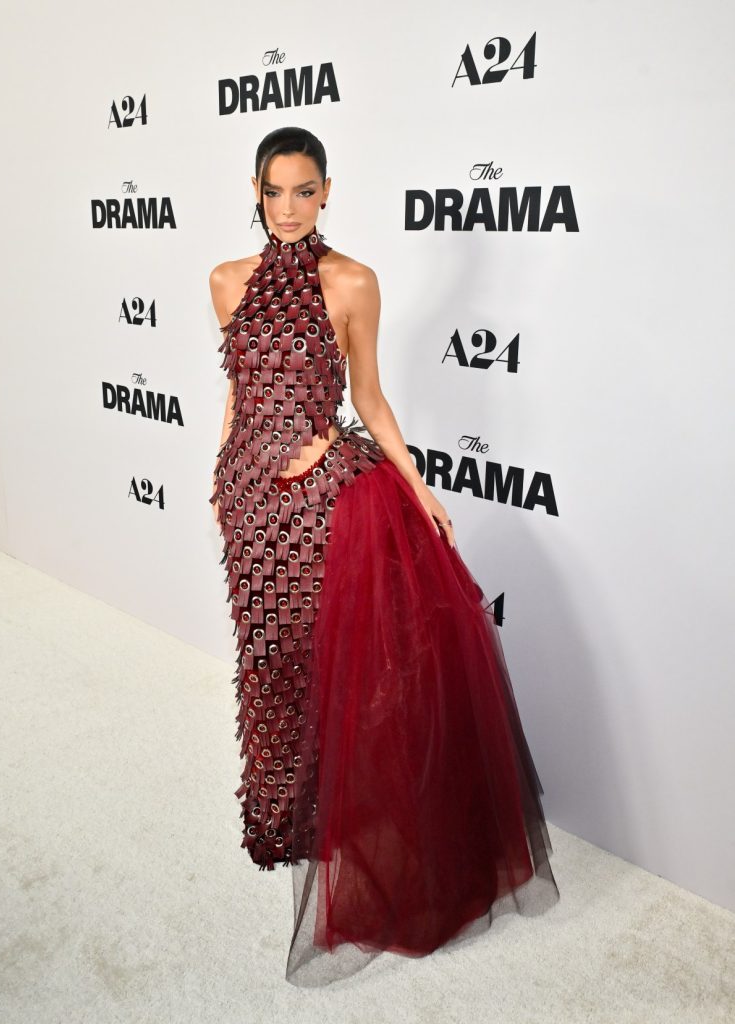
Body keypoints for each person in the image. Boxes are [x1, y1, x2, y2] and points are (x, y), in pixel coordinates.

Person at [208, 126, 560, 988]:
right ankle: (284, 815)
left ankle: (342, 813)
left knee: (335, 660)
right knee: (267, 657)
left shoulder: (353, 281)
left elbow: (366, 395)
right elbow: (237, 391)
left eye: (304, 190)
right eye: (273, 191)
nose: (288, 207)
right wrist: (219, 475)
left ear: (326, 191)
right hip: (249, 501)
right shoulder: (223, 281)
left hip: (319, 504)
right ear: (254, 191)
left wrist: (415, 481)